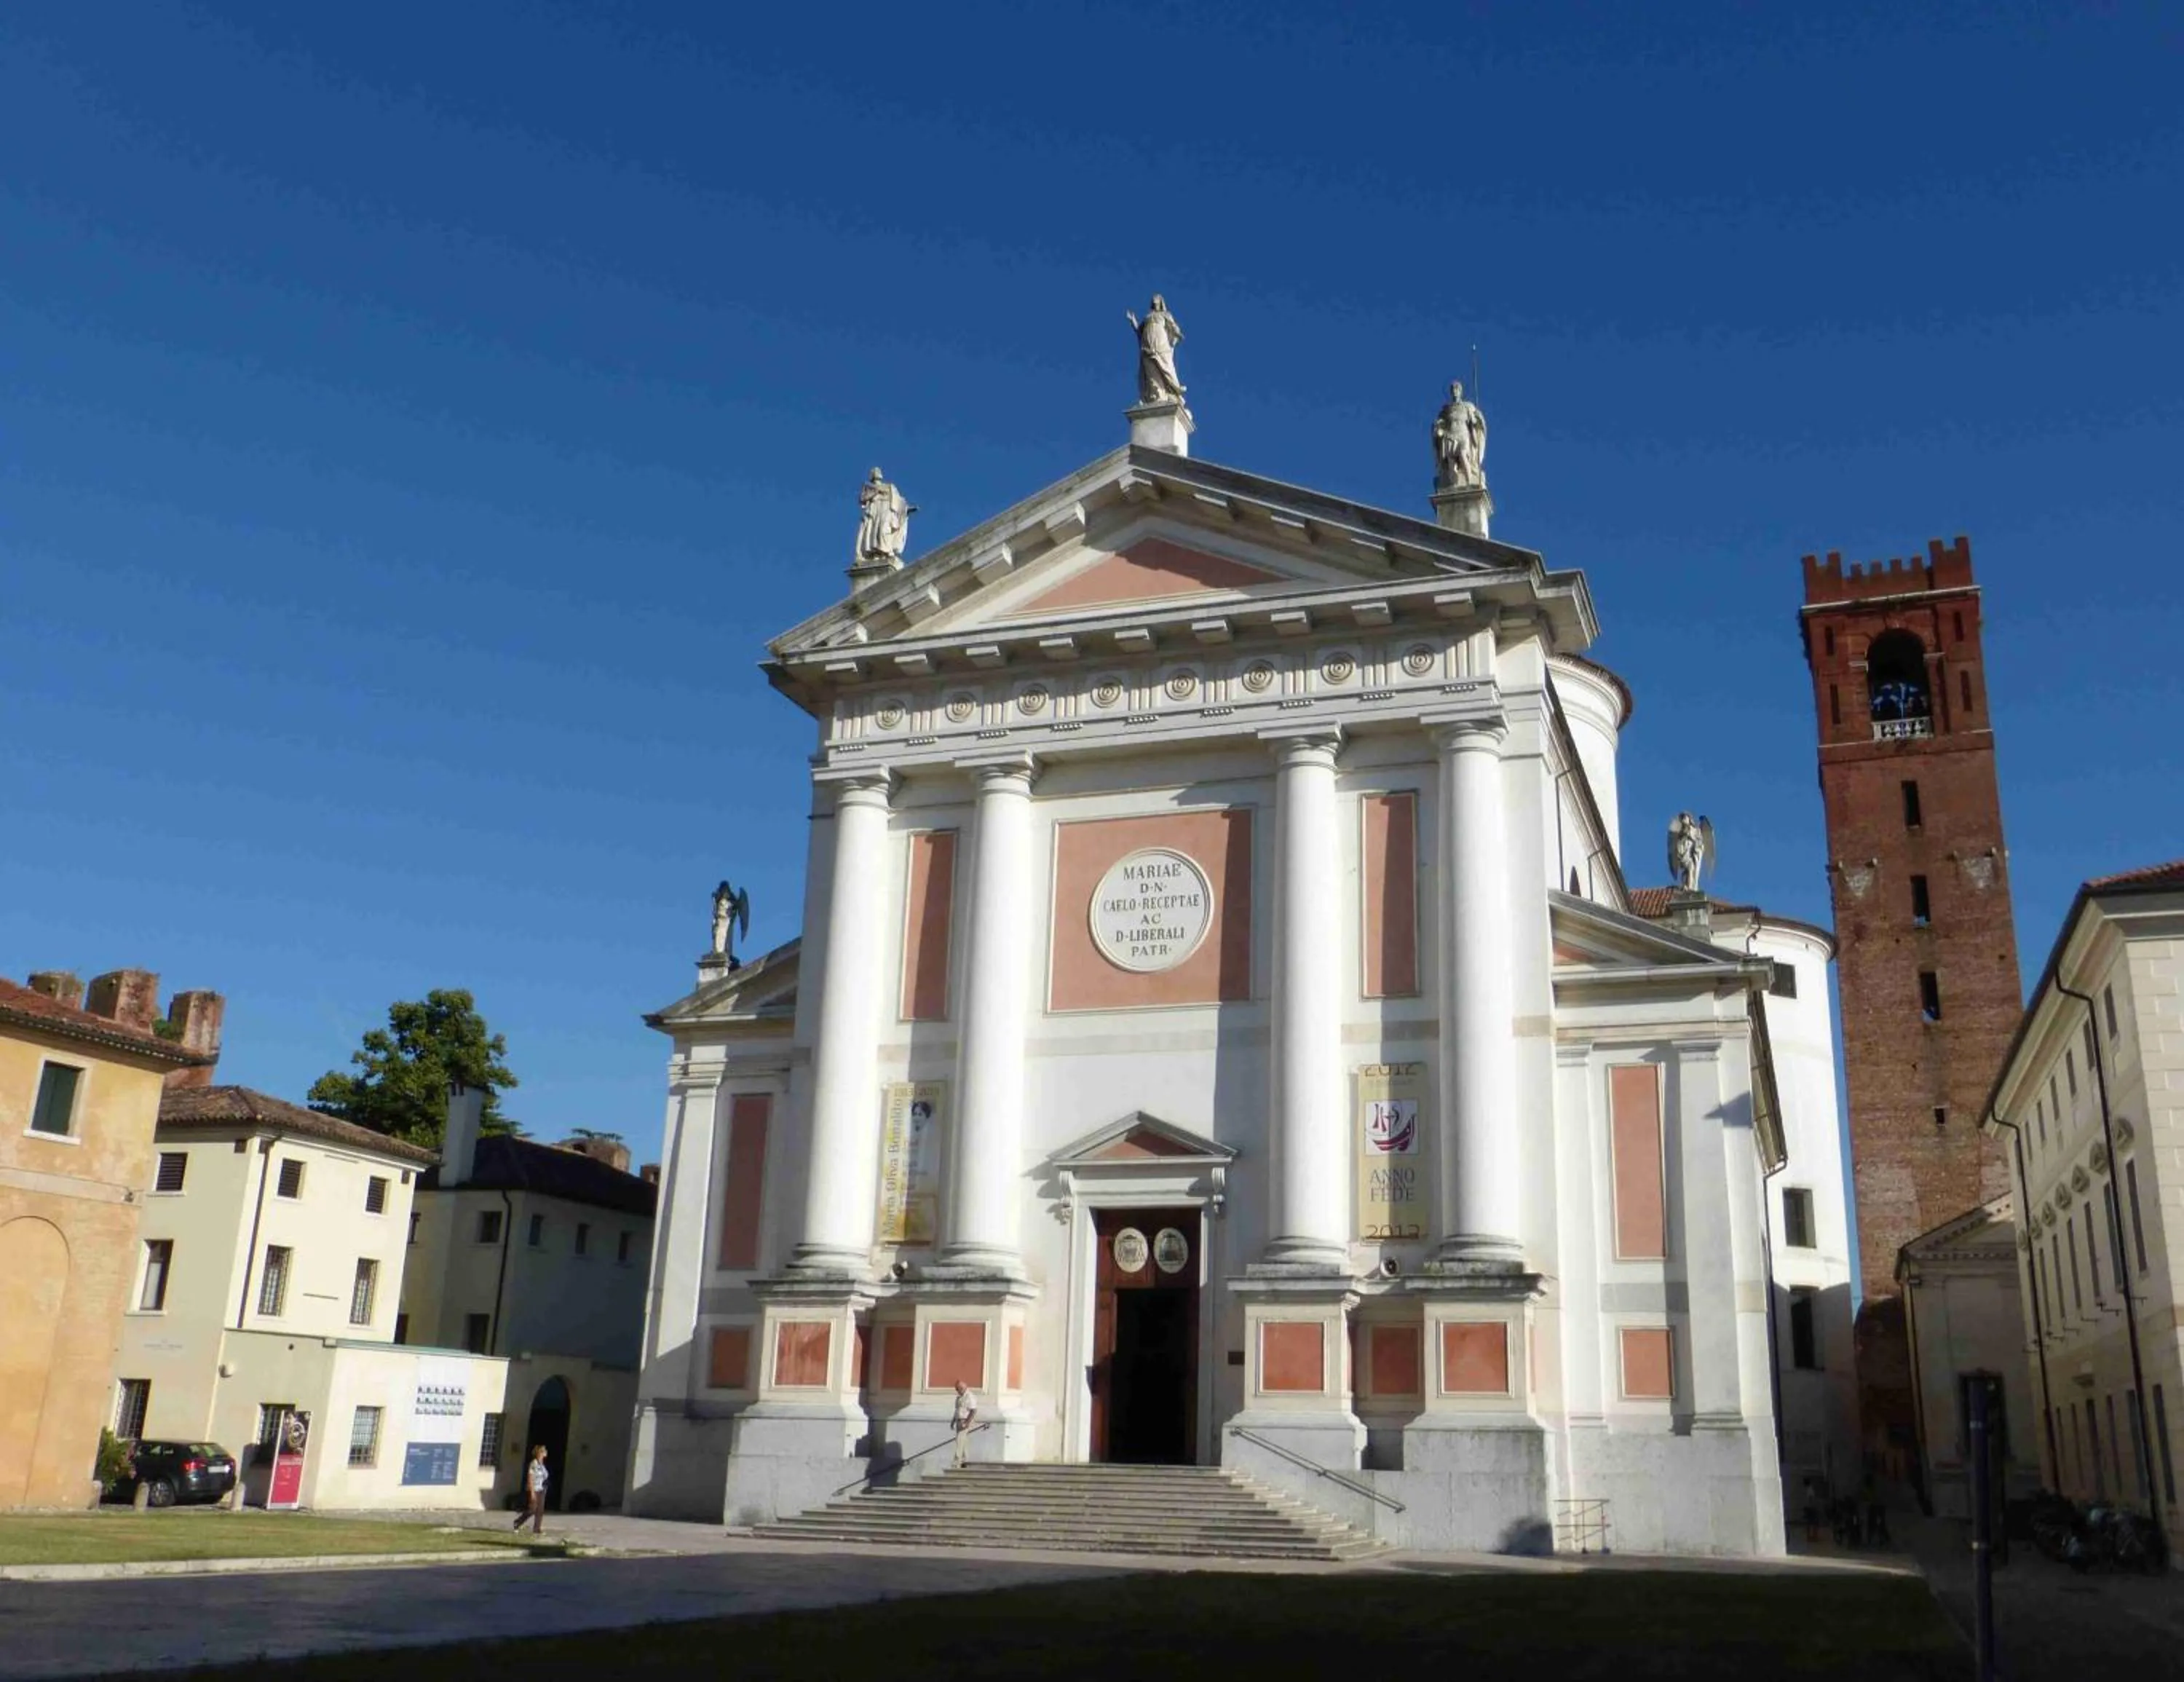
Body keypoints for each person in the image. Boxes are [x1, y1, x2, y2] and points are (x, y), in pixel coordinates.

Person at [515, 1444, 549, 1534]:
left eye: (545, 1451)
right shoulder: (534, 1463)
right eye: (543, 1451)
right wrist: (532, 1492)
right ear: (539, 1453)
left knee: (540, 1510)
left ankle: (537, 1529)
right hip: (534, 1489)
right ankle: (518, 1522)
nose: (545, 1452)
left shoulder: (542, 1465)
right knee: (532, 1509)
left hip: (541, 1489)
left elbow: (544, 1477)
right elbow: (530, 1477)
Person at [950, 1380, 978, 1468]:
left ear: (962, 1388)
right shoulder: (959, 1397)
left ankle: (956, 1461)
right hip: (959, 1420)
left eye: (958, 1389)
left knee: (959, 1440)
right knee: (964, 1441)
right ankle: (965, 1460)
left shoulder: (970, 1396)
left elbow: (974, 1411)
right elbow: (957, 1410)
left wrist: (967, 1423)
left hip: (966, 1420)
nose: (957, 1391)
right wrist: (953, 1421)